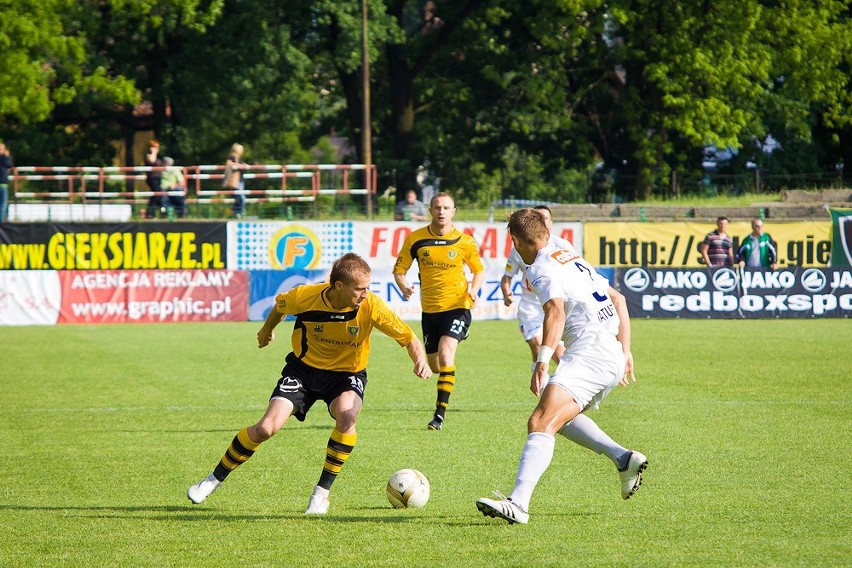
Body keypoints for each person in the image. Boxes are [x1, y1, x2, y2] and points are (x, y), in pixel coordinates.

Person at [187, 253, 431, 514]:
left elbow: (409, 337)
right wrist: (267, 330)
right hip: (303, 371)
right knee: (266, 428)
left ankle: (321, 495)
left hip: (346, 375)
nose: (365, 294)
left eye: (367, 288)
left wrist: (421, 361)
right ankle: (211, 481)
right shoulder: (304, 296)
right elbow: (280, 307)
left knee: (347, 417)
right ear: (338, 286)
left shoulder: (372, 306)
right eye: (359, 289)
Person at [476, 208, 646, 525]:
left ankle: (518, 504)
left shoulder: (541, 268)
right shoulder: (566, 250)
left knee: (540, 421)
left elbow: (555, 312)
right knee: (559, 419)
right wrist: (625, 350)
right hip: (607, 350)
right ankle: (623, 459)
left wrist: (542, 361)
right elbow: (618, 298)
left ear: (515, 240)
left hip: (591, 351)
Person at [393, 192, 485, 430]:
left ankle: (439, 415)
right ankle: (451, 347)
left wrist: (474, 290)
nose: (442, 211)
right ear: (430, 211)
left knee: (446, 356)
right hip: (430, 312)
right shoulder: (416, 239)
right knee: (435, 367)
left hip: (458, 307)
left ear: (453, 211)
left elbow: (479, 270)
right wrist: (403, 285)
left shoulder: (465, 241)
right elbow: (399, 270)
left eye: (446, 207)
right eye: (437, 207)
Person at [501, 205, 573, 367]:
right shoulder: (519, 249)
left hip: (556, 304)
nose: (541, 222)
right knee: (537, 347)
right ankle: (542, 387)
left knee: (559, 356)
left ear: (551, 223)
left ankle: (561, 387)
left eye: (545, 218)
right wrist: (507, 292)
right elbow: (507, 277)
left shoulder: (562, 245)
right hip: (531, 307)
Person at [223, 143, 249, 218]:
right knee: (241, 197)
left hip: (240, 180)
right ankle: (239, 212)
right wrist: (239, 166)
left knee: (239, 197)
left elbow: (242, 164)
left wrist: (245, 165)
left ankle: (236, 211)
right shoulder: (232, 157)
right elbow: (229, 163)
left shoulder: (239, 158)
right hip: (235, 181)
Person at [144, 140, 166, 219]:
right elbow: (152, 161)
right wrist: (154, 152)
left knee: (157, 195)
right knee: (157, 194)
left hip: (158, 178)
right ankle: (151, 213)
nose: (157, 149)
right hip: (152, 178)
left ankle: (158, 212)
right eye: (155, 147)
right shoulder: (148, 156)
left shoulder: (157, 158)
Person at [0, 143, 13, 223]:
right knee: (3, 204)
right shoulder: (3, 158)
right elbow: (10, 164)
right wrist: (7, 156)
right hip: (3, 184)